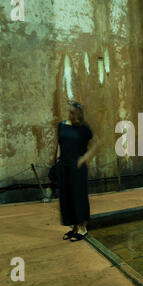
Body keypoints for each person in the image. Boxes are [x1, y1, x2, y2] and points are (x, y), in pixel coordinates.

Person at [54, 101, 95, 242]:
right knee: (67, 197)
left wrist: (84, 158)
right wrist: (57, 159)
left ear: (78, 113)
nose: (70, 114)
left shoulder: (83, 128)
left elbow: (96, 144)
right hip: (64, 165)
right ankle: (74, 228)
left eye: (73, 112)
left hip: (77, 167)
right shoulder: (62, 125)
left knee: (79, 196)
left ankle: (83, 228)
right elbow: (59, 143)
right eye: (69, 112)